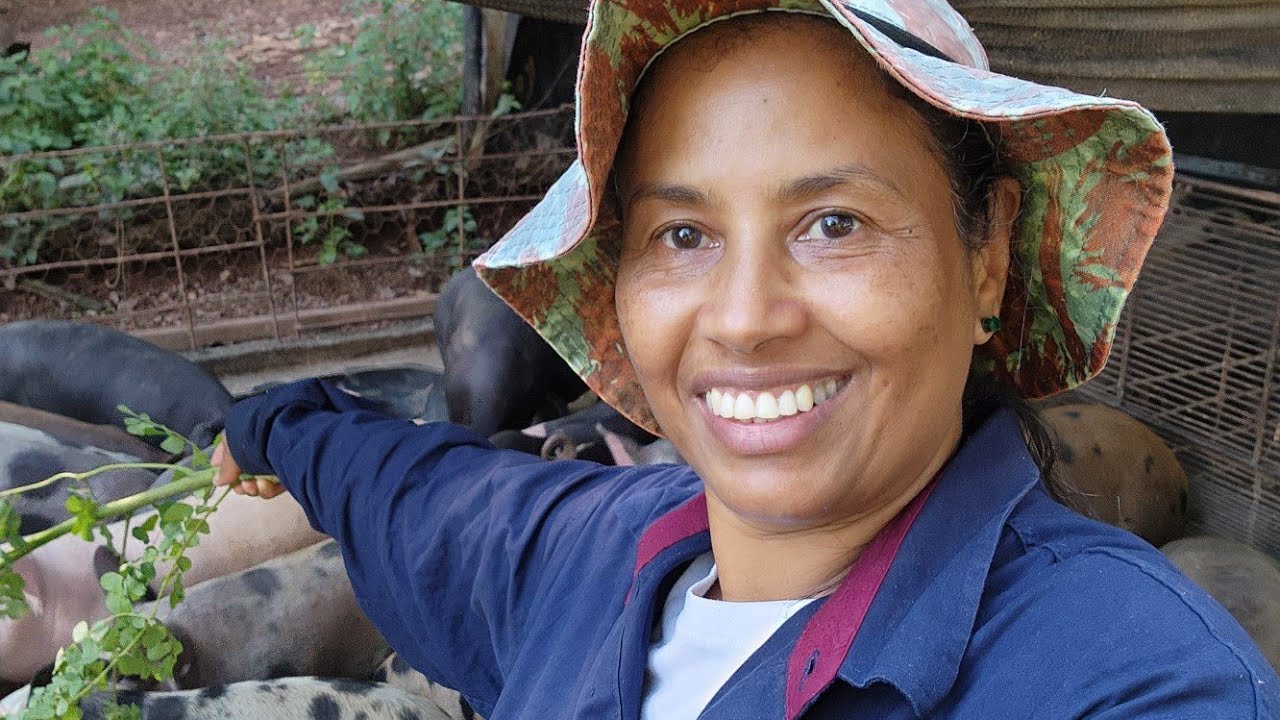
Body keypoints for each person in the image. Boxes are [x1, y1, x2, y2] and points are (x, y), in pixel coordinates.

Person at [213, 1, 1280, 717]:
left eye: (832, 223)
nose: (743, 317)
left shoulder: (1128, 678)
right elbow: (410, 489)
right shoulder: (587, 554)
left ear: (986, 257)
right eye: (681, 235)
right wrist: (274, 425)